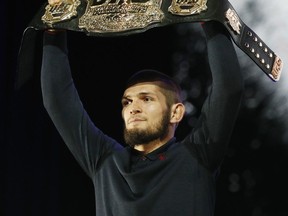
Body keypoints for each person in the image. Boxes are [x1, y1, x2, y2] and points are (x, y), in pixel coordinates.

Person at [40, 2, 244, 215]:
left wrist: (207, 12)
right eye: (127, 102)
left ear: (176, 112)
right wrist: (55, 26)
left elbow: (229, 88)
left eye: (146, 99)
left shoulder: (197, 155)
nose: (133, 108)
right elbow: (58, 99)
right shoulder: (106, 161)